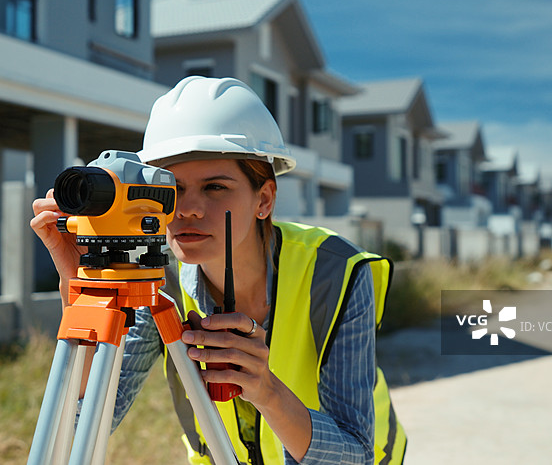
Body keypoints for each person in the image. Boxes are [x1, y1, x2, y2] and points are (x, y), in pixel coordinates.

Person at [31, 76, 406, 464]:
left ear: (264, 198)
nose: (188, 209)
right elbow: (86, 425)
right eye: (171, 188)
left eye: (214, 187)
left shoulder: (336, 273)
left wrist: (266, 390)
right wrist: (84, 290)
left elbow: (355, 455)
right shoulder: (159, 278)